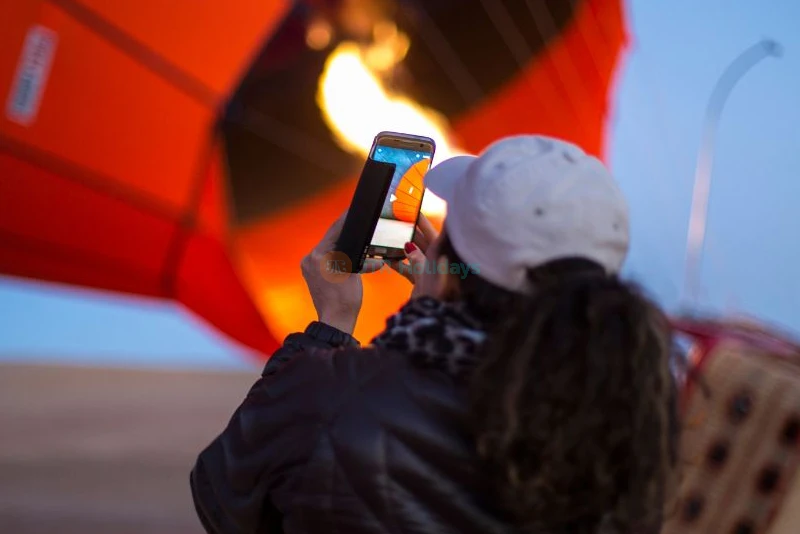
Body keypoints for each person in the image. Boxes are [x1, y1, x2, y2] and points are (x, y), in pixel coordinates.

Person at [190, 135, 679, 534]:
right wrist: (434, 309)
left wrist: (331, 326)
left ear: (448, 266)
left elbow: (222, 500)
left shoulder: (330, 394)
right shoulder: (633, 415)